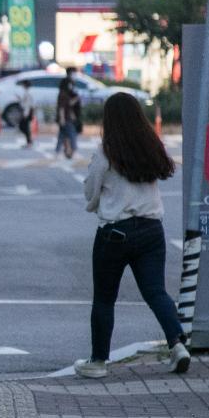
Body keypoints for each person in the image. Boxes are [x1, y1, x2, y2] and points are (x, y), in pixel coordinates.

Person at [81, 92, 191, 379]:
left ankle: (98, 361)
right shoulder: (150, 145)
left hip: (114, 232)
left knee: (105, 299)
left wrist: (96, 205)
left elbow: (91, 190)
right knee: (156, 292)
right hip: (152, 229)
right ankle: (178, 344)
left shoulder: (107, 151)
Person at [56, 71, 84, 159]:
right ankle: (73, 151)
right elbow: (61, 107)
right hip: (66, 118)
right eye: (70, 84)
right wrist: (62, 118)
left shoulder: (65, 94)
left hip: (67, 117)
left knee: (62, 134)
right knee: (72, 134)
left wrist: (76, 98)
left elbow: (69, 105)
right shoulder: (63, 94)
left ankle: (58, 151)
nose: (71, 86)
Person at [17, 79, 36, 148]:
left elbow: (27, 104)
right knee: (25, 127)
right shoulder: (28, 92)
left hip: (27, 112)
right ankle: (29, 141)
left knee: (23, 126)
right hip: (28, 111)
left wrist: (26, 113)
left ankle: (29, 142)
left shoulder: (28, 93)